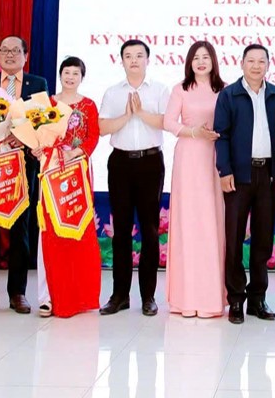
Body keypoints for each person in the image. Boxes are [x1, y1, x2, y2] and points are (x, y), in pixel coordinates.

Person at [0, 35, 49, 318]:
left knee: (21, 231)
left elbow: (43, 121)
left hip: (22, 165)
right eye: (4, 50)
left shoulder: (37, 84)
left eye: (16, 50)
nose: (10, 55)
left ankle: (18, 292)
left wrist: (25, 140)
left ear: (25, 56)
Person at [213, 43, 275, 324]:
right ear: (241, 63)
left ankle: (257, 298)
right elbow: (222, 135)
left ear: (268, 64)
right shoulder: (229, 95)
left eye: (261, 61)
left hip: (267, 174)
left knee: (263, 239)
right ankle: (235, 299)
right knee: (234, 238)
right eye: (251, 61)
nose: (256, 66)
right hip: (238, 177)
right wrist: (224, 170)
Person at [98, 39, 170, 317]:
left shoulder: (160, 90)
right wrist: (127, 116)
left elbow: (165, 122)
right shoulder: (113, 92)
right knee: (121, 231)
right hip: (120, 163)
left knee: (150, 230)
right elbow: (104, 127)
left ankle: (148, 296)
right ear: (122, 61)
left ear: (147, 60)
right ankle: (119, 295)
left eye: (139, 55)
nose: (134, 60)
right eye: (128, 56)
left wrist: (140, 113)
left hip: (151, 162)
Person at [164, 41, 228, 318]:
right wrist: (193, 132)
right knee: (188, 223)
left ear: (213, 61)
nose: (201, 62)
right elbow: (168, 122)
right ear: (189, 62)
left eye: (206, 57)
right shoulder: (181, 89)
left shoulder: (224, 89)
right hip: (189, 158)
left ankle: (210, 298)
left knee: (210, 222)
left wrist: (215, 134)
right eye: (196, 58)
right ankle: (185, 299)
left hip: (214, 157)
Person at [35, 56, 102, 318]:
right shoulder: (46, 104)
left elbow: (93, 136)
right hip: (50, 171)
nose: (70, 77)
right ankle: (48, 297)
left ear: (82, 77)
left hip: (76, 173)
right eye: (67, 72)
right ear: (60, 74)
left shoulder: (88, 105)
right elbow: (37, 135)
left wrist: (76, 153)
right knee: (50, 231)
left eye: (76, 73)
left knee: (77, 230)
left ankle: (79, 296)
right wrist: (37, 148)